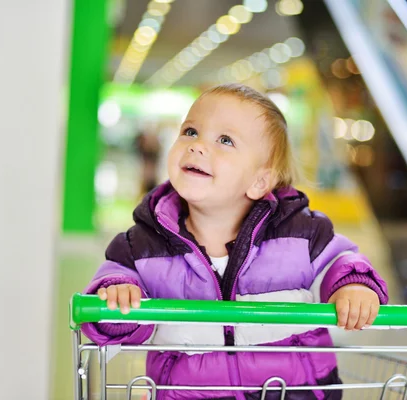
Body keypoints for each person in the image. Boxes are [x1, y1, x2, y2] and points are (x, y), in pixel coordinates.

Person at [81, 83, 388, 400]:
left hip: (295, 392)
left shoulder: (302, 234)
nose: (197, 146)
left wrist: (352, 285)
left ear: (259, 182)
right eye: (190, 131)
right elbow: (115, 304)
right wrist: (118, 298)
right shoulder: (142, 246)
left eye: (225, 140)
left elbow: (340, 261)